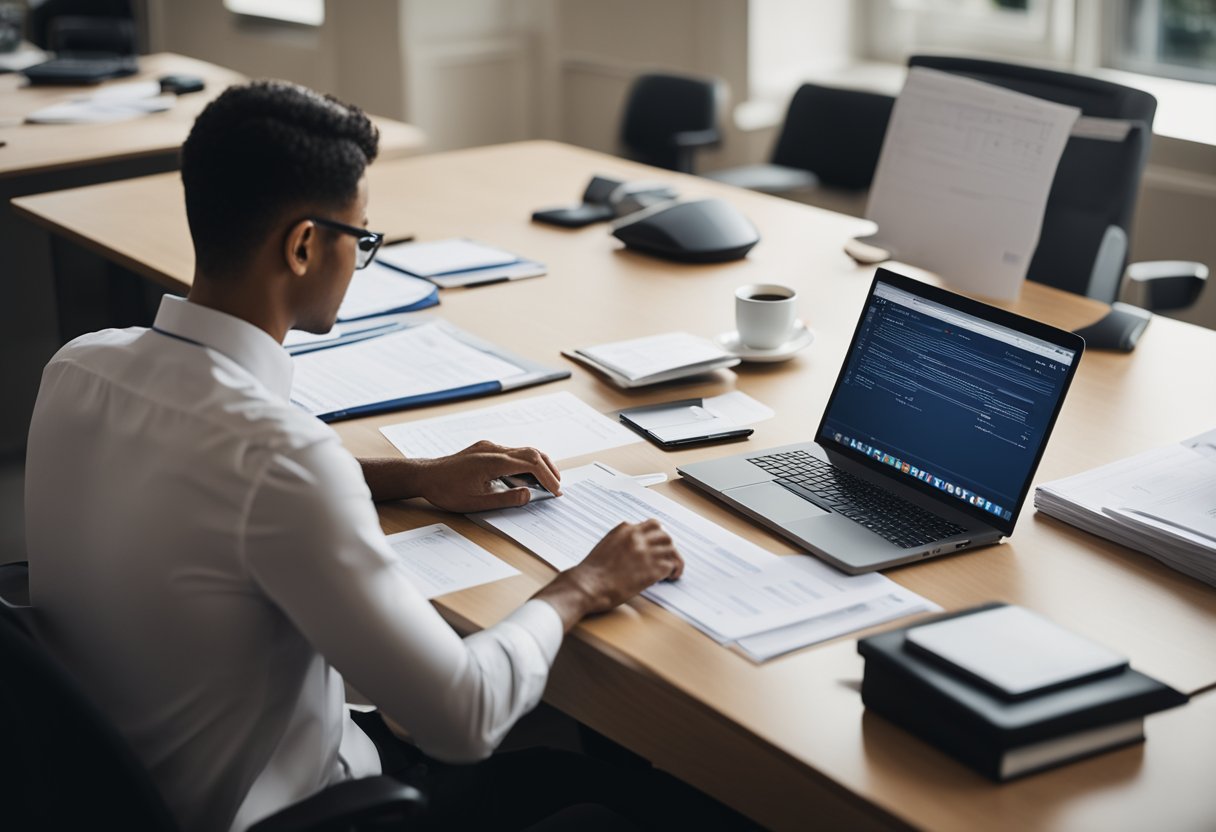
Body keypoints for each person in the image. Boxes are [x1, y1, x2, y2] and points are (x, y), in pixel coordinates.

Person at [24, 81, 693, 832]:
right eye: (363, 239)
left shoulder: (78, 367)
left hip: (121, 791)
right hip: (295, 812)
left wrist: (412, 476)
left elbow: (213, 482)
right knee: (605, 799)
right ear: (304, 245)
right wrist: (584, 584)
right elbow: (463, 720)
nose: (362, 258)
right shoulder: (281, 459)